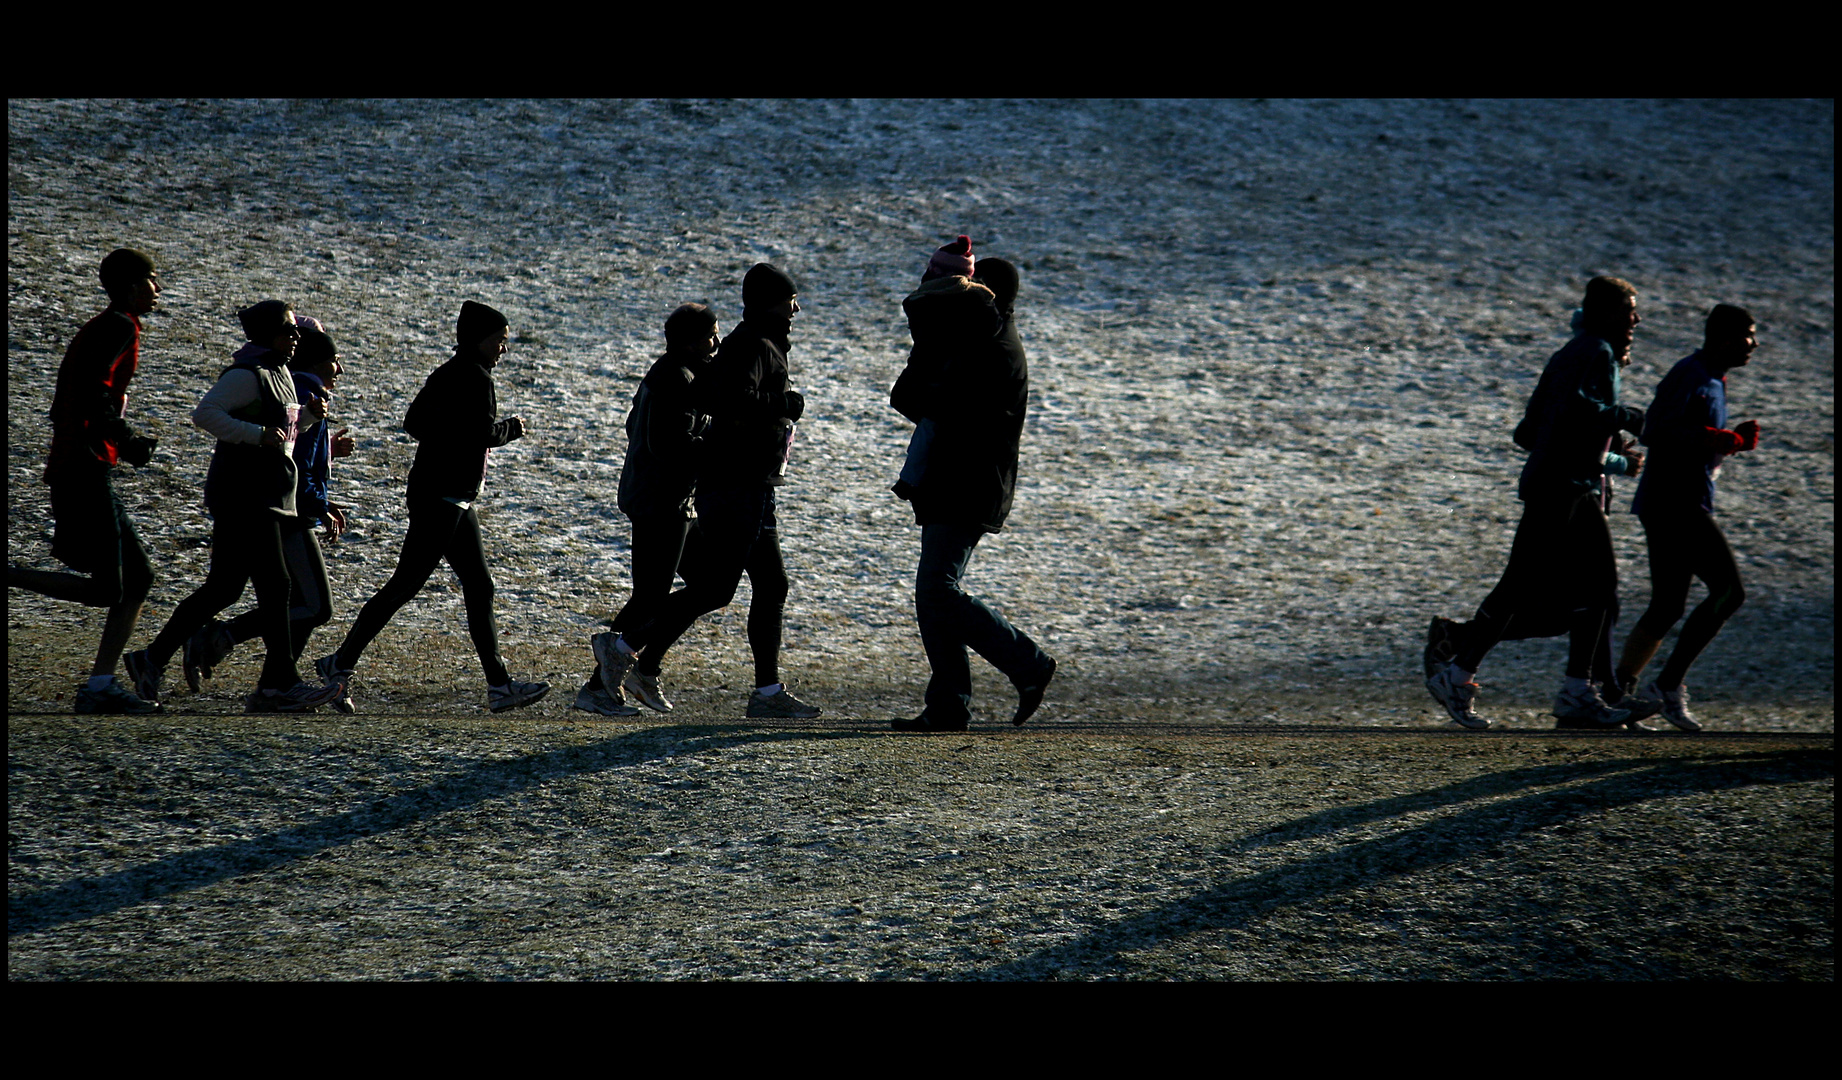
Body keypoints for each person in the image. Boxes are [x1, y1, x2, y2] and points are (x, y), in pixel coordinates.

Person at [591, 264, 821, 719]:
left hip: (748, 484)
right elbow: (733, 401)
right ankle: (624, 648)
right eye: (788, 300)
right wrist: (785, 404)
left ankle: (761, 691)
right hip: (735, 486)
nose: (795, 308)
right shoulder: (753, 345)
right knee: (712, 588)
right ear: (765, 303)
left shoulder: (757, 344)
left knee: (766, 586)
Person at [1424, 276, 1649, 730]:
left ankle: (1561, 689)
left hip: (1561, 482)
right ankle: (1562, 691)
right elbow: (1581, 413)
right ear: (1606, 313)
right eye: (1629, 312)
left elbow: (1528, 431)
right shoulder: (1596, 352)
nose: (1636, 321)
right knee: (1572, 588)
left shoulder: (1570, 353)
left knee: (1569, 589)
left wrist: (1594, 449)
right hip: (1567, 485)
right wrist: (1634, 419)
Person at [314, 301, 549, 713]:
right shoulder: (477, 379)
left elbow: (415, 423)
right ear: (479, 340)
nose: (503, 349)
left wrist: (450, 431)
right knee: (405, 585)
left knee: (479, 586)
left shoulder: (446, 373)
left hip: (447, 496)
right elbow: (481, 434)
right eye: (499, 341)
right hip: (443, 497)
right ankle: (339, 663)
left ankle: (499, 686)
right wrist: (511, 428)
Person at [124, 301, 347, 713]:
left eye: (295, 331)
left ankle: (151, 659)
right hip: (245, 496)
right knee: (277, 586)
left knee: (225, 588)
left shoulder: (280, 375)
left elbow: (283, 436)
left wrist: (312, 421)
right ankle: (280, 684)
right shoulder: (248, 374)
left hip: (265, 496)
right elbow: (206, 414)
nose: (296, 336)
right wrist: (254, 434)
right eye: (287, 331)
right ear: (264, 335)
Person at [889, 243, 1056, 732]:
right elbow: (915, 397)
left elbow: (934, 402)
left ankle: (1027, 662)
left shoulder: (992, 347)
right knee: (934, 591)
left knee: (937, 589)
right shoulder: (983, 339)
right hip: (961, 479)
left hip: (969, 480)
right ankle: (948, 704)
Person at [8, 248, 166, 714]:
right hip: (82, 466)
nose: (158, 290)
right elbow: (93, 394)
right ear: (133, 285)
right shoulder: (116, 327)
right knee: (108, 588)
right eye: (153, 281)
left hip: (89, 464)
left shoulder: (111, 326)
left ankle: (100, 685)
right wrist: (128, 438)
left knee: (139, 577)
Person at [183, 319, 358, 712]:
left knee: (278, 596)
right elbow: (293, 455)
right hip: (289, 512)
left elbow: (299, 445)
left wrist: (327, 452)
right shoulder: (305, 387)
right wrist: (316, 502)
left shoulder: (292, 385)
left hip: (288, 506)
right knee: (311, 605)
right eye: (335, 360)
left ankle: (274, 683)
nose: (340, 370)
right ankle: (230, 645)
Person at [1610, 304, 1763, 732]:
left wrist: (1729, 443)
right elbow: (1655, 428)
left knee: (1667, 604)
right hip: (1674, 503)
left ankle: (1617, 695)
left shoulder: (1713, 379)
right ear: (1725, 338)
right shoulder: (1692, 373)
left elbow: (1687, 435)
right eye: (1749, 335)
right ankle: (1667, 685)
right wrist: (1711, 436)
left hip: (1676, 500)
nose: (1755, 343)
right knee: (1729, 592)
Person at [573, 303, 719, 717]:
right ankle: (602, 683)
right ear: (690, 341)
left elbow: (635, 426)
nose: (717, 343)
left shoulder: (675, 374)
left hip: (668, 501)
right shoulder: (674, 377)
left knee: (704, 585)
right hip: (661, 503)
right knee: (653, 598)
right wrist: (720, 450)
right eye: (711, 335)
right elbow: (666, 443)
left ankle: (627, 668)